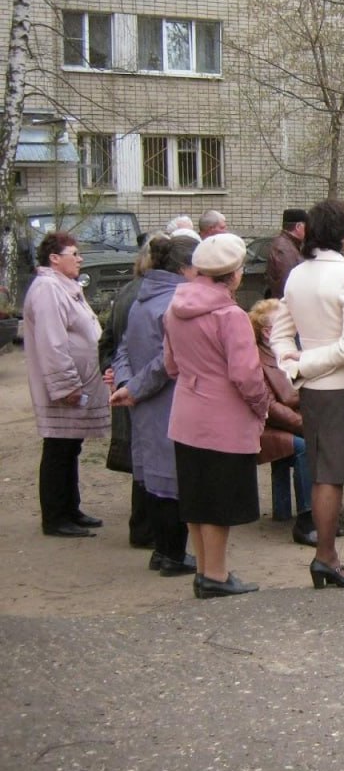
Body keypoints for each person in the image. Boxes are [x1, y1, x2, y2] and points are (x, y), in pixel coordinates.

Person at [270, 199, 344, 590]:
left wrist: (294, 363)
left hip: (313, 386)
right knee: (330, 476)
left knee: (324, 473)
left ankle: (327, 556)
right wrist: (302, 364)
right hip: (338, 386)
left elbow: (278, 334)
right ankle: (326, 556)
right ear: (338, 232)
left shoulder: (297, 274)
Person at [164, 233, 269, 597]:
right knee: (219, 500)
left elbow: (171, 365)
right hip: (224, 419)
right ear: (234, 274)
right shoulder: (231, 316)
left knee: (196, 498)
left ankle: (205, 570)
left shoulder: (174, 308)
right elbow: (246, 376)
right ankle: (217, 575)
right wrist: (262, 406)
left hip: (186, 414)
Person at [109, 233, 199, 575]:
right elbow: (167, 359)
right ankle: (173, 554)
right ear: (185, 268)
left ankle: (162, 551)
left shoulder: (142, 298)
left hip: (143, 401)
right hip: (168, 398)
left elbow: (123, 350)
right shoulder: (177, 302)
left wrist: (125, 384)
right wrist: (135, 387)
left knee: (154, 476)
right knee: (173, 479)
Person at [23, 231, 111, 537]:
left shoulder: (64, 286)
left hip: (78, 383)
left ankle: (70, 509)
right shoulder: (48, 288)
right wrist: (67, 385)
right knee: (59, 448)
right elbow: (52, 343)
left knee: (70, 447)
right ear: (54, 258)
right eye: (74, 253)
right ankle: (56, 517)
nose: (80, 258)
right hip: (64, 389)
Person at [98, 239, 156, 548]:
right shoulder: (146, 296)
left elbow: (106, 343)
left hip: (127, 386)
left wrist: (112, 372)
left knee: (141, 461)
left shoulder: (126, 291)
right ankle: (146, 530)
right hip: (143, 388)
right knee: (149, 462)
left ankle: (143, 527)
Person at [247, 299, 313, 546]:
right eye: (284, 321)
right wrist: (307, 426)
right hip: (266, 428)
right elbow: (270, 407)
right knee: (305, 446)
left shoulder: (294, 349)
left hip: (295, 419)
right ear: (266, 331)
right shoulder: (255, 357)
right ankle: (308, 518)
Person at [265, 208, 306, 298]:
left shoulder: (288, 244)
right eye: (307, 226)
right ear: (298, 227)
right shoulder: (285, 248)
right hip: (288, 305)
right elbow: (290, 282)